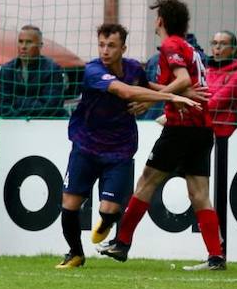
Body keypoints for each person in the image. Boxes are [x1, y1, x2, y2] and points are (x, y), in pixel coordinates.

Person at [55, 24, 203, 269]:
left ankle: (106, 221)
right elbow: (125, 92)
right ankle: (75, 253)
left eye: (111, 45)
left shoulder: (133, 68)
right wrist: (172, 96)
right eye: (101, 45)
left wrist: (184, 90)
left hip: (120, 149)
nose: (105, 50)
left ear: (123, 48)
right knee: (69, 205)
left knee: (110, 209)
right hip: (86, 145)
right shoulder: (93, 70)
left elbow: (144, 86)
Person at [101, 0, 225, 271]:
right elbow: (184, 84)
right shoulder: (190, 48)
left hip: (180, 127)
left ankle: (121, 243)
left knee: (146, 181)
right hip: (202, 128)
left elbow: (183, 80)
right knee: (199, 193)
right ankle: (216, 257)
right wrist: (164, 93)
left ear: (160, 21)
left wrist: (153, 100)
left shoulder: (171, 45)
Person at [0, 25, 68, 118]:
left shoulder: (53, 69)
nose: (23, 47)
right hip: (14, 124)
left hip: (45, 125)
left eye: (29, 42)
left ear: (40, 45)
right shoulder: (7, 70)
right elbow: (4, 107)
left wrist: (17, 101)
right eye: (20, 42)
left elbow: (50, 108)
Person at [206, 31, 237, 139]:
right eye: (214, 43)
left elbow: (214, 103)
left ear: (233, 49)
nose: (217, 47)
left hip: (223, 133)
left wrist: (189, 111)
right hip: (202, 129)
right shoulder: (206, 71)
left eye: (223, 44)